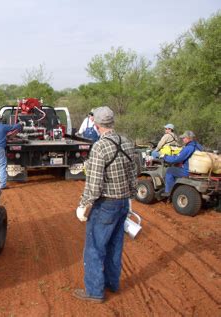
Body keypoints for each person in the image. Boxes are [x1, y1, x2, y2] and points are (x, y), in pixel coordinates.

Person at [74, 106, 137, 303]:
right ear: (112, 122)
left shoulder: (100, 147)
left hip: (105, 205)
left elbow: (94, 185)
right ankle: (112, 283)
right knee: (115, 245)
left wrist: (83, 205)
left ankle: (94, 291)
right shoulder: (127, 142)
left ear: (96, 123)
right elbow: (134, 174)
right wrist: (130, 196)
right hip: (123, 203)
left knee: (94, 248)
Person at [161, 130, 203, 197]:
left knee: (170, 170)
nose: (183, 139)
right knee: (176, 167)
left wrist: (165, 157)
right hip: (198, 170)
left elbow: (177, 159)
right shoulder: (199, 146)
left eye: (184, 138)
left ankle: (168, 191)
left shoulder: (189, 148)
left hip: (188, 170)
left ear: (188, 138)